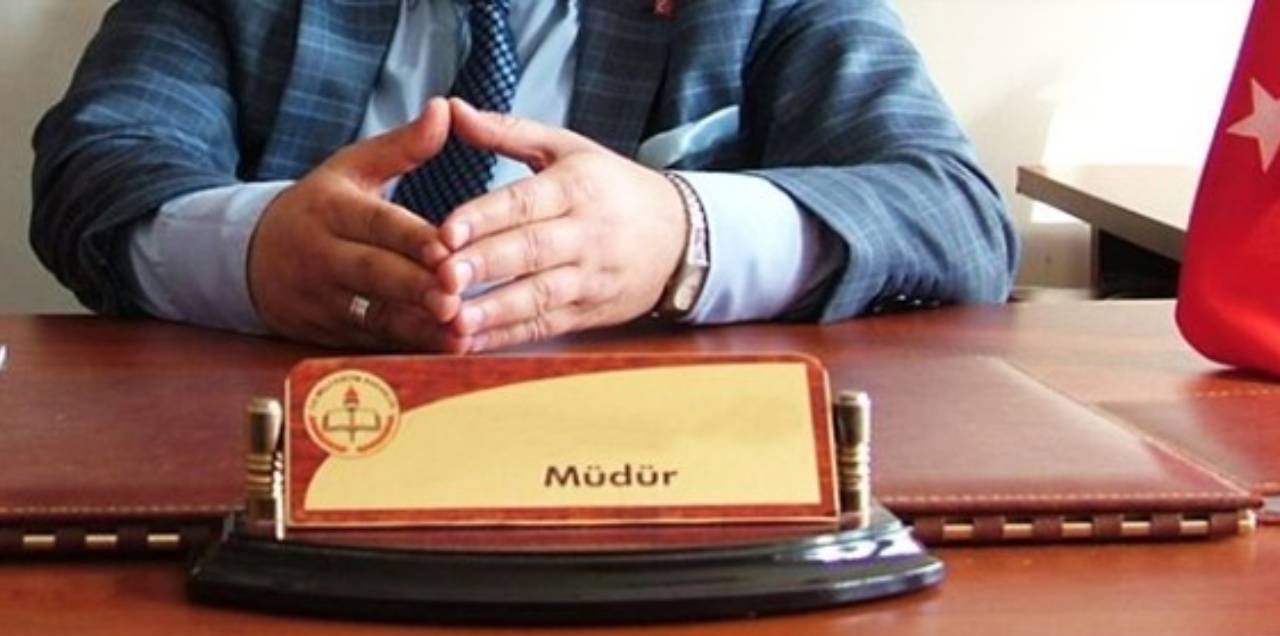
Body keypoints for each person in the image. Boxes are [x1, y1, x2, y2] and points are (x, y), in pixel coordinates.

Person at [31, 0, 1018, 353]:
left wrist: (682, 237)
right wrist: (253, 256)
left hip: (660, 497)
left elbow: (954, 214)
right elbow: (94, 169)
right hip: (286, 486)